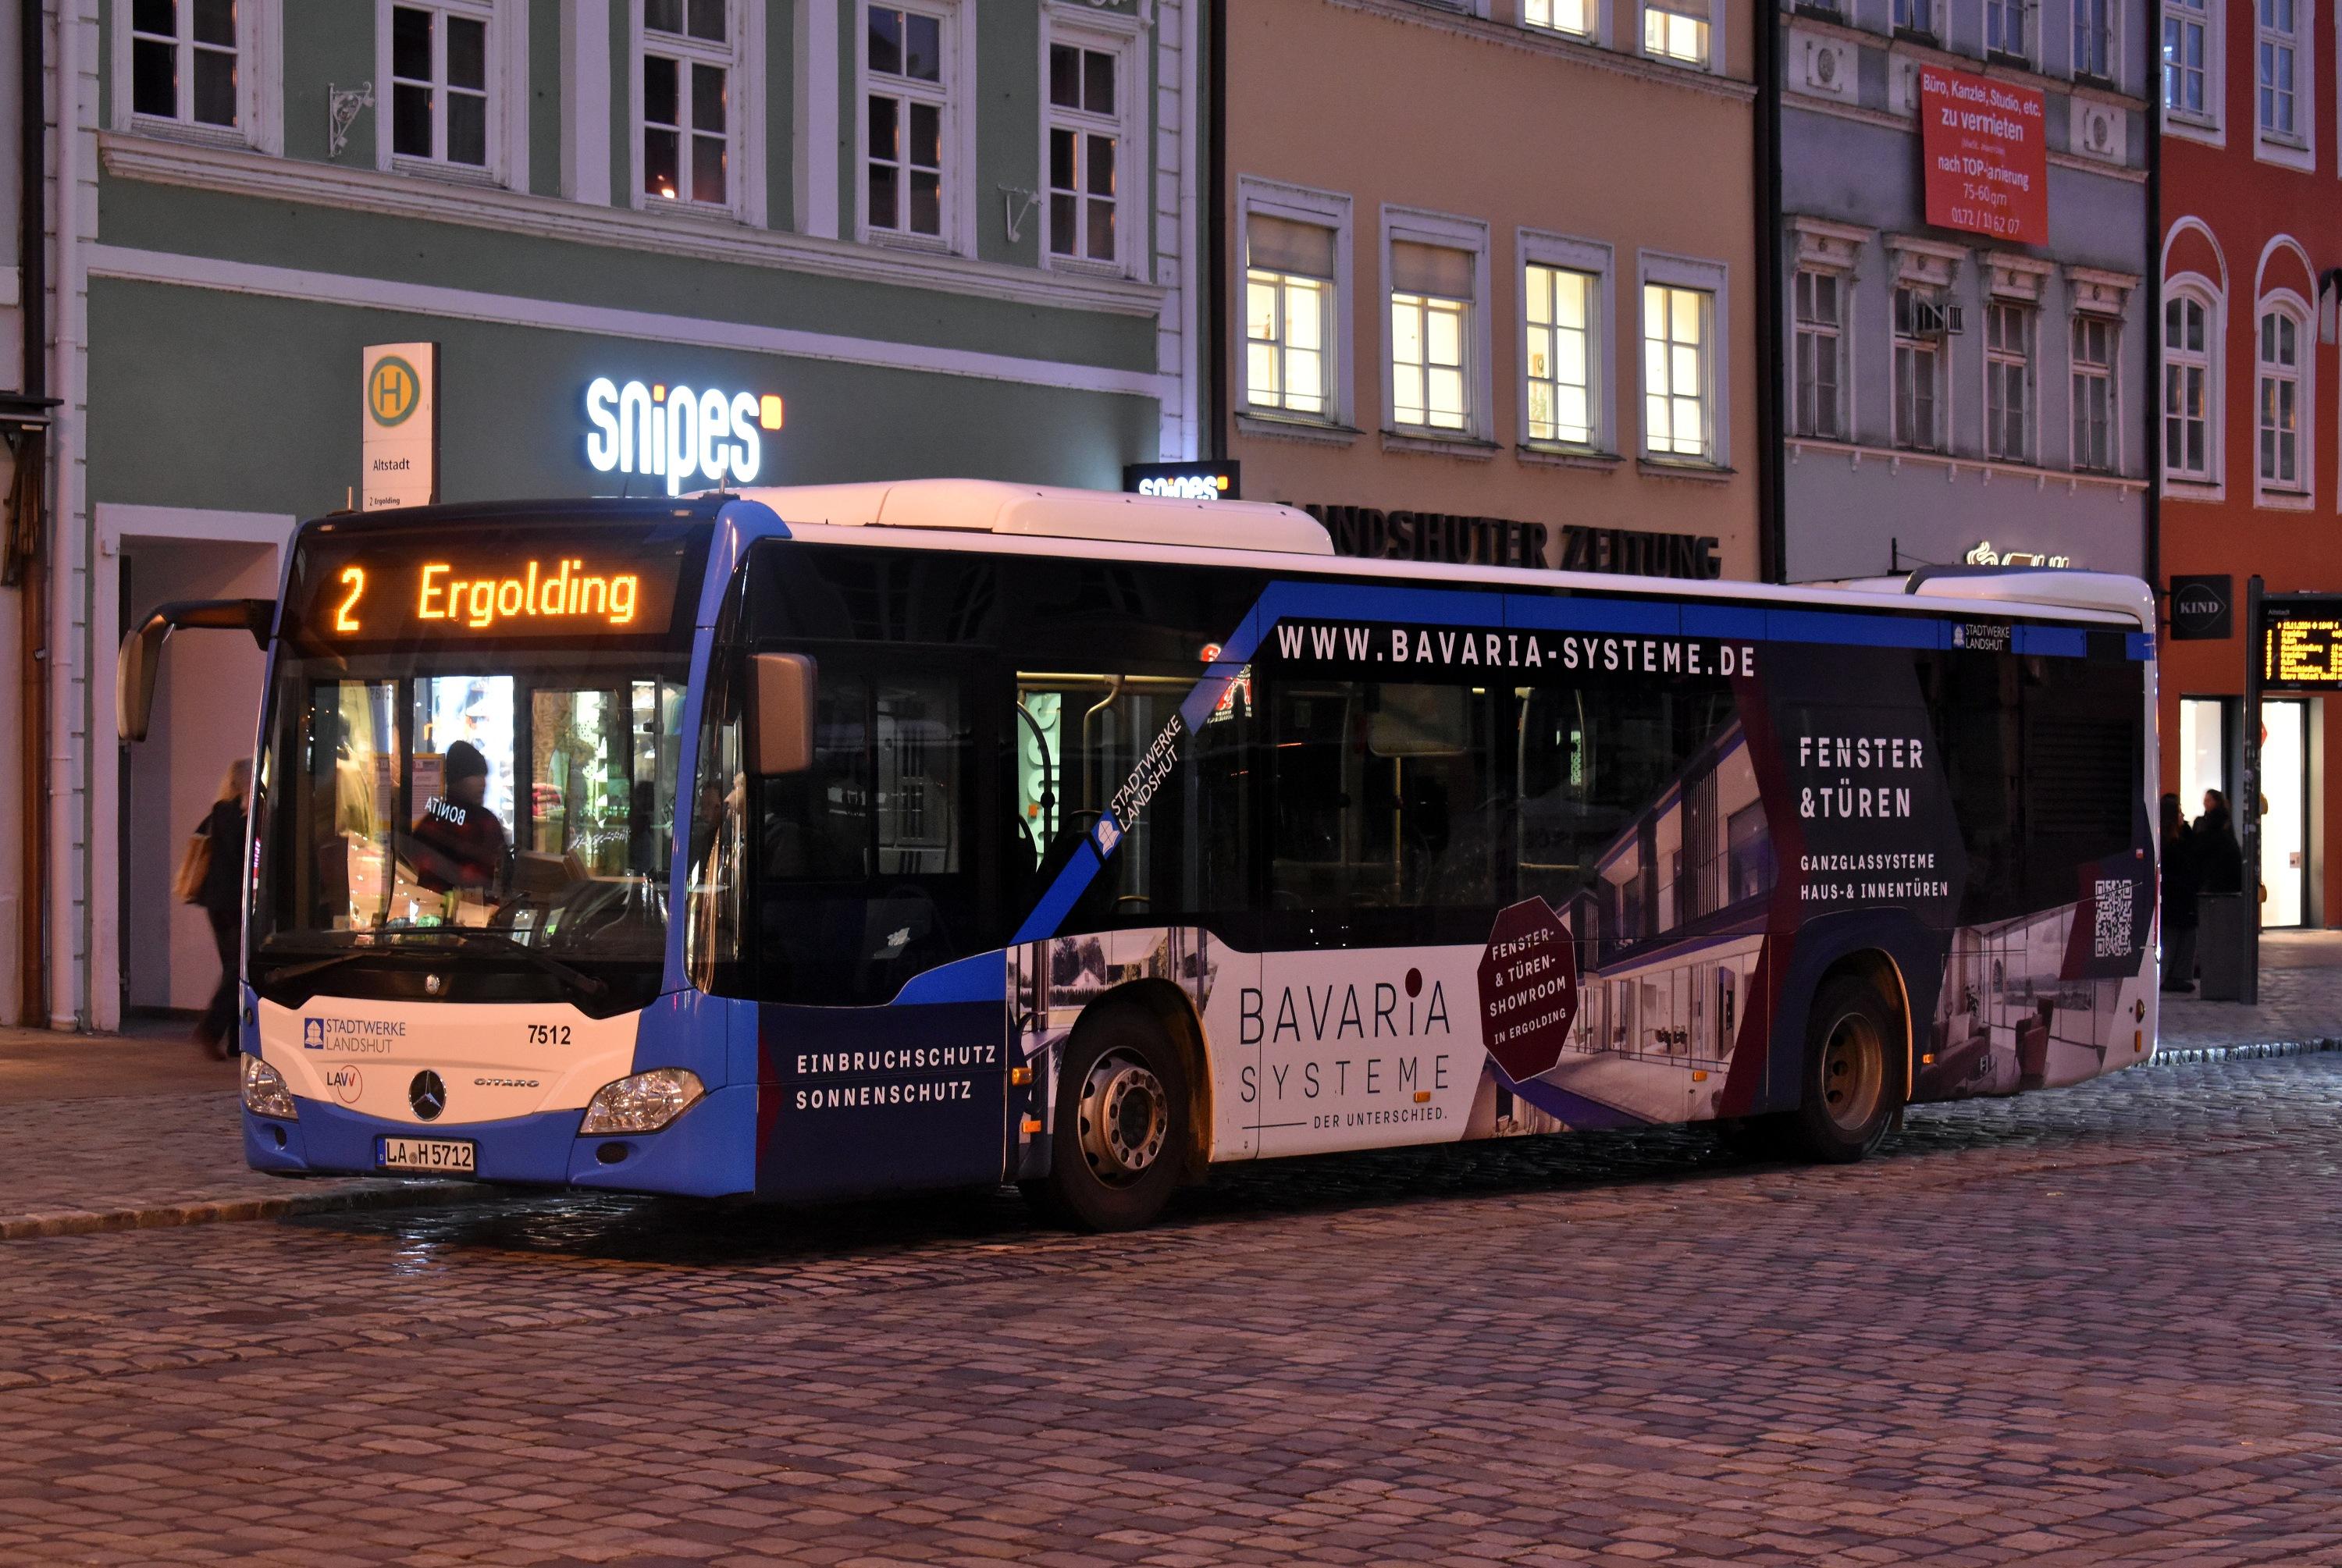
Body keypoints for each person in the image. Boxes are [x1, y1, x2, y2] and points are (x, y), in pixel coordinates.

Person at [191, 759, 251, 1061]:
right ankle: (211, 1029)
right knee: (238, 968)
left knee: (234, 966)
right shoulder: (229, 813)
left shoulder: (221, 812)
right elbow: (239, 855)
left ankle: (236, 1041)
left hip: (220, 902)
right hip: (229, 902)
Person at [410, 740, 511, 894]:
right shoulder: (482, 822)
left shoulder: (436, 817)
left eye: (483, 775)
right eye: (474, 775)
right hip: (453, 910)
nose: (482, 783)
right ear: (456, 779)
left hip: (454, 909)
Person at [2159, 793, 2200, 993]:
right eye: (2179, 811)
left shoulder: (2181, 836)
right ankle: (2173, 976)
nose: (2182, 815)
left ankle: (2176, 976)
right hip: (2176, 899)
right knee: (2176, 938)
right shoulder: (2169, 844)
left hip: (2180, 899)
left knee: (2182, 937)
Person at [2194, 788, 2244, 897]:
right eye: (2205, 800)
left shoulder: (2209, 825)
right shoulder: (2206, 822)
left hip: (2213, 879)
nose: (2205, 803)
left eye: (2209, 800)